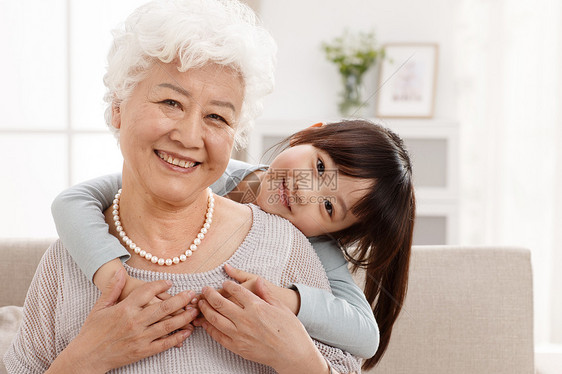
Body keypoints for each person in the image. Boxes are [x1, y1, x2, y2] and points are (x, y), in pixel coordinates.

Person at [3, 0, 361, 373]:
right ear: (118, 107)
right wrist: (84, 360)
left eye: (216, 117)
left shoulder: (284, 246)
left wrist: (300, 361)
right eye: (171, 102)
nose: (190, 137)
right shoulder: (68, 261)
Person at [51, 119, 415, 369]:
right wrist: (117, 279)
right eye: (320, 167)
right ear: (306, 134)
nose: (306, 191)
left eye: (329, 206)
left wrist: (284, 299)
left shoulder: (312, 245)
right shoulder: (212, 172)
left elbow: (366, 336)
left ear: (333, 232)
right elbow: (72, 201)